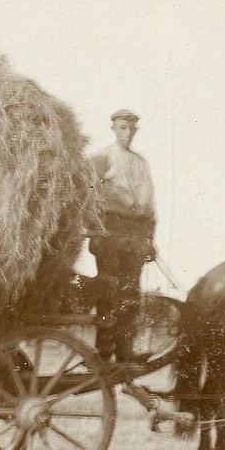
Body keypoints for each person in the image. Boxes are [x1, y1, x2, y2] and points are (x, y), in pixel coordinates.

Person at [89, 109, 157, 363]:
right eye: (122, 128)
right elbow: (89, 196)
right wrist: (96, 232)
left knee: (131, 295)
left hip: (136, 233)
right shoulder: (101, 158)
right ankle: (103, 352)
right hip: (111, 231)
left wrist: (149, 239)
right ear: (114, 130)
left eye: (131, 129)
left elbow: (149, 203)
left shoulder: (140, 162)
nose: (127, 133)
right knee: (109, 291)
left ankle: (125, 352)